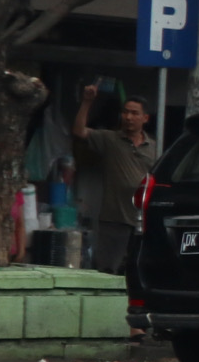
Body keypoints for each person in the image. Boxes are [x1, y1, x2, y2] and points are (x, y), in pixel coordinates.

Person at [68, 84, 158, 274]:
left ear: (145, 118)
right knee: (107, 269)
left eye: (134, 113)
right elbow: (79, 131)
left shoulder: (155, 148)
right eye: (125, 112)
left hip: (142, 220)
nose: (128, 117)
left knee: (138, 271)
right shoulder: (110, 139)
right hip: (113, 219)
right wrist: (87, 102)